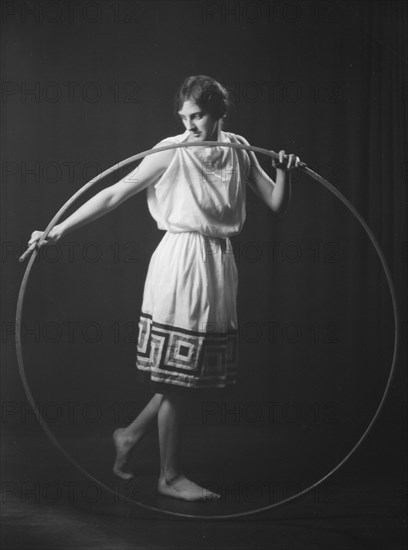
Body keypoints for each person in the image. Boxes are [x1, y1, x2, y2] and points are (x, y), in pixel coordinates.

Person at [27, 75, 300, 502]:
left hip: (218, 263)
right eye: (185, 116)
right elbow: (116, 193)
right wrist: (57, 230)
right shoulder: (171, 151)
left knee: (185, 374)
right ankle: (169, 477)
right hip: (181, 262)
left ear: (220, 113)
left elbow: (276, 201)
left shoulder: (239, 148)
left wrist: (284, 172)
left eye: (199, 116)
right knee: (178, 377)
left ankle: (129, 437)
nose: (190, 124)